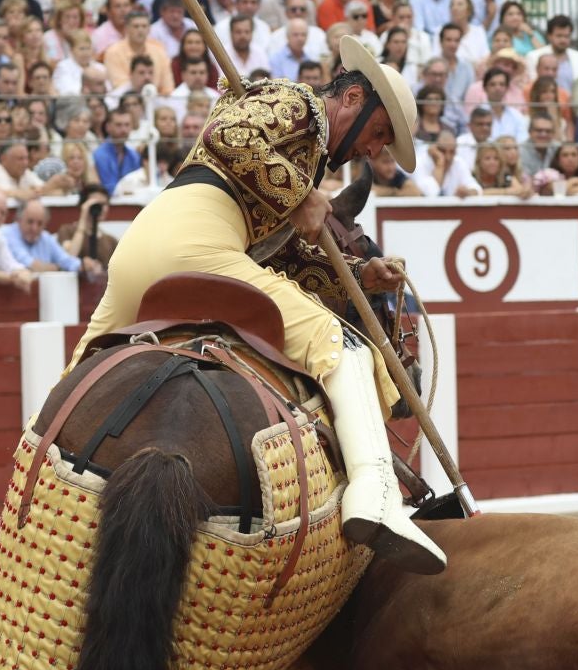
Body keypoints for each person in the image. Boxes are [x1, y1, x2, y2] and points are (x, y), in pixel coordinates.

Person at [72, 37, 441, 573]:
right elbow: (229, 133)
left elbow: (286, 256)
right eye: (379, 134)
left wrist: (362, 275)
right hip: (196, 245)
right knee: (342, 345)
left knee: (82, 371)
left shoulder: (308, 157)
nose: (372, 151)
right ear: (353, 97)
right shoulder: (298, 104)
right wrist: (302, 194)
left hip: (144, 249)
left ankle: (21, 513)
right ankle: (375, 496)